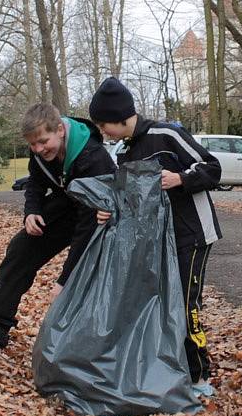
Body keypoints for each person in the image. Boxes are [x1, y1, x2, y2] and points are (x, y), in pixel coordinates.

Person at [89, 77, 221, 399]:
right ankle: (171, 367)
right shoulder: (127, 153)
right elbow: (130, 201)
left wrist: (180, 178)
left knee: (187, 304)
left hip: (194, 234)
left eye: (105, 124)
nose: (104, 132)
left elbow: (212, 168)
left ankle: (200, 375)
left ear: (121, 116)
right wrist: (108, 212)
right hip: (159, 242)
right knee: (164, 304)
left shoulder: (167, 134)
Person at [0, 104, 116, 348]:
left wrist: (64, 280)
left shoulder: (93, 158)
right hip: (68, 203)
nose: (39, 149)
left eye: (43, 142)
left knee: (83, 275)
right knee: (22, 246)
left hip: (100, 217)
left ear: (60, 130)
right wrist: (31, 212)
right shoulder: (40, 150)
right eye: (33, 145)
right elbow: (35, 183)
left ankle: (80, 349)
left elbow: (86, 229)